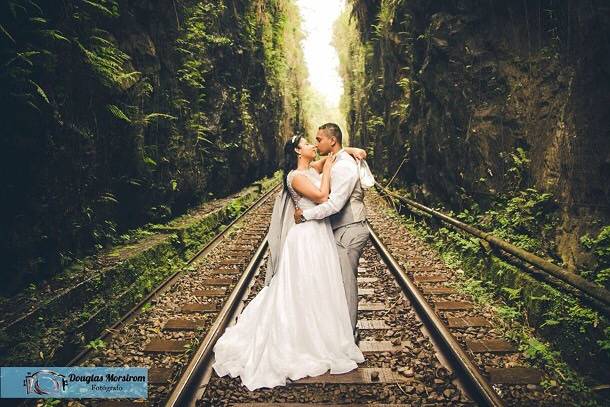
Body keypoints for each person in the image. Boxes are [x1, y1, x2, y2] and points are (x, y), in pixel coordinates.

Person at [211, 134, 367, 391]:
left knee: (319, 286)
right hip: (305, 236)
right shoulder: (294, 176)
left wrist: (350, 149)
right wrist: (328, 170)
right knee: (301, 287)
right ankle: (297, 339)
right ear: (297, 150)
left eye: (314, 142)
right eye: (307, 143)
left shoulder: (310, 167)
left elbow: (331, 153)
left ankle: (318, 333)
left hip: (319, 234)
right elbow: (321, 195)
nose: (313, 146)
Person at [294, 123, 371, 345]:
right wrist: (350, 149)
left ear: (332, 141)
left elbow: (335, 204)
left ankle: (349, 335)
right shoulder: (336, 158)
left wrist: (306, 215)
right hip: (341, 229)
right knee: (335, 281)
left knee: (346, 282)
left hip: (351, 228)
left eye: (319, 139)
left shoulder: (345, 165)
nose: (316, 143)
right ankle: (339, 331)